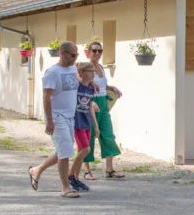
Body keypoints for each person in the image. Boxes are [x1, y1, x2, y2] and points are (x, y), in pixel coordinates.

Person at [28, 41, 81, 198]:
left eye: (76, 55)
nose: (75, 58)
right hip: (57, 116)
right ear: (62, 53)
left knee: (64, 149)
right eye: (73, 55)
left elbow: (84, 73)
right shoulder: (53, 72)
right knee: (65, 151)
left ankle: (36, 170)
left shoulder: (73, 68)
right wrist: (49, 120)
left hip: (70, 116)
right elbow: (46, 96)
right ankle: (65, 186)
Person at [83, 41, 125, 180]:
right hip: (90, 104)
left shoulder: (101, 67)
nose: (97, 53)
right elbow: (82, 87)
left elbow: (103, 85)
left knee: (108, 135)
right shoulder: (85, 67)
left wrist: (112, 88)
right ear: (88, 52)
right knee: (88, 137)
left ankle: (109, 169)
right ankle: (87, 171)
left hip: (103, 104)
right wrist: (91, 101)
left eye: (100, 51)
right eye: (94, 51)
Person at [68, 62, 100, 192]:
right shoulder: (76, 86)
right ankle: (70, 175)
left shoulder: (91, 89)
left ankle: (76, 178)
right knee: (86, 149)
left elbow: (90, 107)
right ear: (81, 73)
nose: (93, 73)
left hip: (87, 122)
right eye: (89, 71)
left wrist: (95, 125)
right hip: (77, 123)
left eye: (94, 71)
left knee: (82, 151)